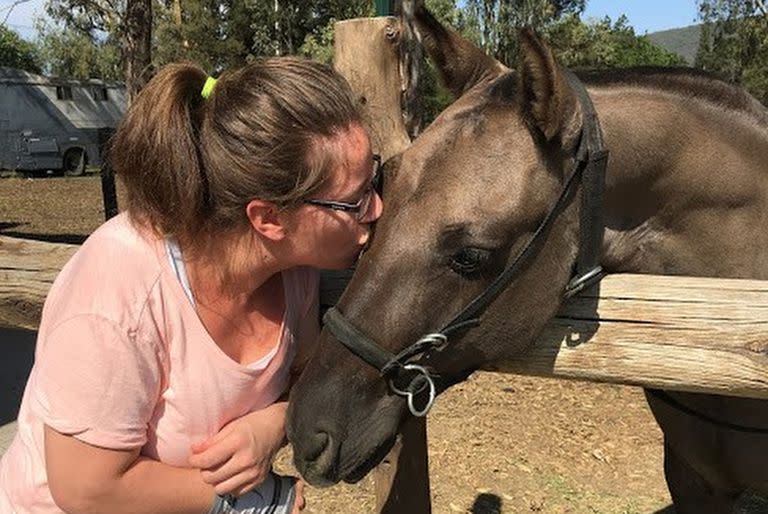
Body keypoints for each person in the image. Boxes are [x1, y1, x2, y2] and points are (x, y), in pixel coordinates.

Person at [0, 57, 382, 514]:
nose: (377, 208)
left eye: (373, 181)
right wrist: (259, 502)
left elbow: (304, 371)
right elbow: (86, 487)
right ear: (268, 218)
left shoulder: (296, 270)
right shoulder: (120, 290)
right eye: (355, 198)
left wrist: (274, 423)